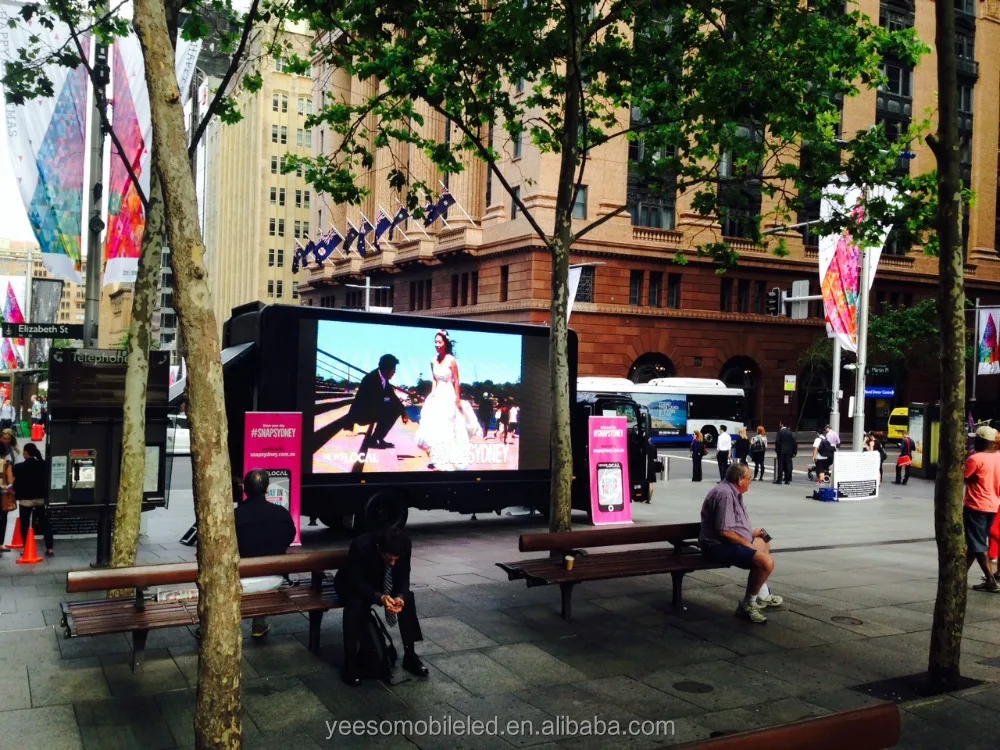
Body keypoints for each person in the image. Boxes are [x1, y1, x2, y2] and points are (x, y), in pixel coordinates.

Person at [334, 527, 429, 686]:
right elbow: (357, 581)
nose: (393, 563)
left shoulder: (404, 544)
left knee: (408, 599)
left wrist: (399, 596)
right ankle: (349, 664)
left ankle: (410, 655)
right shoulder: (361, 545)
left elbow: (404, 576)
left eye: (396, 559)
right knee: (355, 605)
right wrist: (380, 597)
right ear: (379, 548)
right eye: (389, 558)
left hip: (382, 582)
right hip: (353, 585)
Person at [699, 463, 782, 624]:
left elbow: (731, 525)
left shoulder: (732, 492)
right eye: (749, 478)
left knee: (763, 543)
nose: (751, 482)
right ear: (740, 480)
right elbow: (724, 531)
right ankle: (747, 605)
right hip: (717, 547)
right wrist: (747, 544)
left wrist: (751, 533)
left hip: (727, 542)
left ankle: (763, 594)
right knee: (766, 562)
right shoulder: (725, 494)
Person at [233, 469, 297, 637]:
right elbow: (289, 537)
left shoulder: (234, 516)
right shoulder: (281, 513)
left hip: (240, 580)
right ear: (267, 489)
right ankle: (259, 624)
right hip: (274, 579)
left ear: (244, 489)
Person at [312, 354, 407, 452]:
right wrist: (388, 403)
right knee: (390, 409)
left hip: (371, 411)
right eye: (394, 370)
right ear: (387, 370)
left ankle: (379, 438)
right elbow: (372, 402)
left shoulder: (383, 379)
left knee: (395, 408)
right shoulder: (371, 379)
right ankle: (373, 440)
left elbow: (392, 397)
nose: (394, 372)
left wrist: (403, 412)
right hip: (361, 414)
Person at [415, 330, 479, 470]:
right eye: (435, 342)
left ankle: (449, 458)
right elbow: (434, 379)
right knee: (435, 425)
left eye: (439, 342)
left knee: (448, 426)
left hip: (449, 394)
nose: (437, 345)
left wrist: (458, 399)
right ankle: (437, 456)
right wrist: (432, 394)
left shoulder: (451, 360)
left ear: (445, 343)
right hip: (437, 394)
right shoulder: (433, 361)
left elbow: (457, 381)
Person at [963, 427, 1000, 593]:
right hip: (993, 505)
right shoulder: (998, 457)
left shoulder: (975, 459)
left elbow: (964, 477)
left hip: (975, 506)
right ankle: (960, 574)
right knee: (975, 541)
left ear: (981, 441)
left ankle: (990, 580)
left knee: (977, 543)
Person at [13, 443, 54, 556]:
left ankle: (26, 547)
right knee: (44, 522)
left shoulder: (18, 467)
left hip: (25, 500)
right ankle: (50, 548)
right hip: (40, 499)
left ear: (26, 453)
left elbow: (16, 483)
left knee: (24, 523)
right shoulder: (43, 465)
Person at [0, 434, 16, 554]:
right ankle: (0, 544)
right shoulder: (7, 463)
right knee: (2, 518)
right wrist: (9, 487)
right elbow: (10, 480)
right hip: (3, 494)